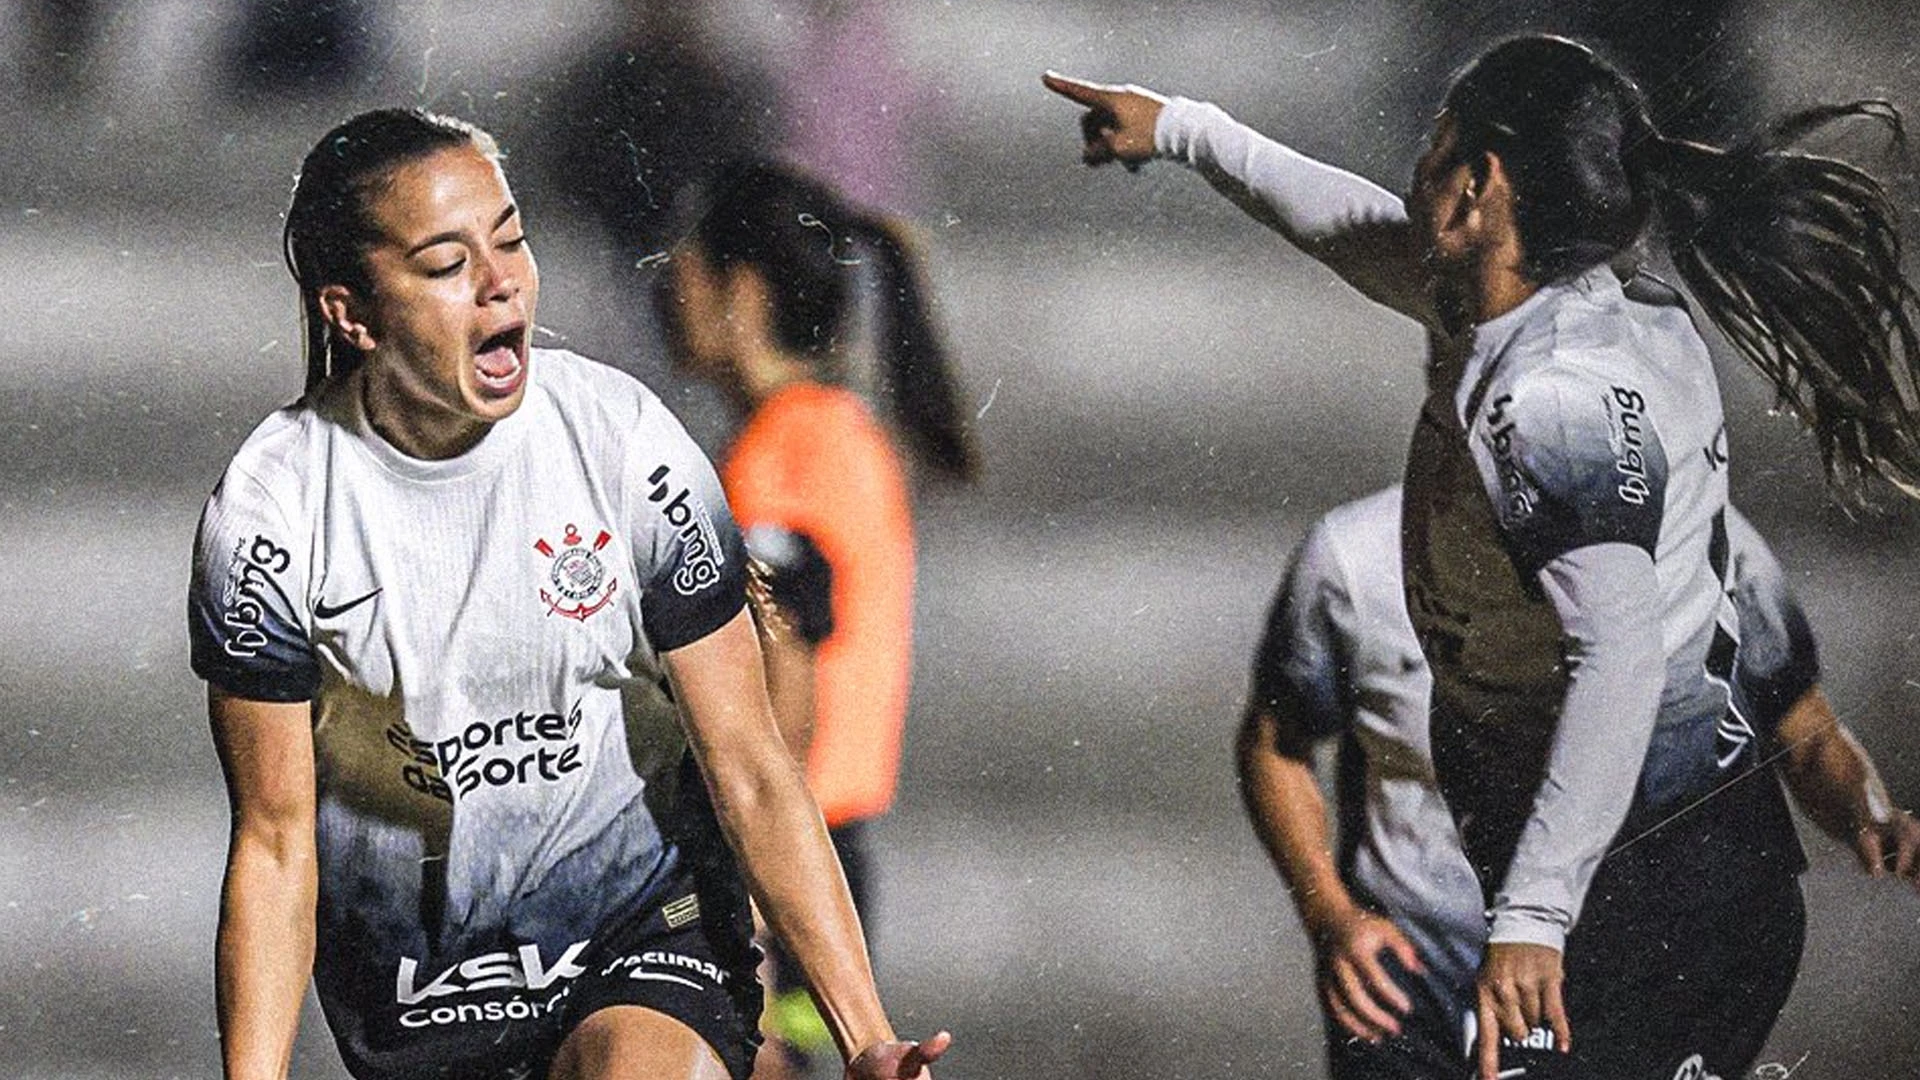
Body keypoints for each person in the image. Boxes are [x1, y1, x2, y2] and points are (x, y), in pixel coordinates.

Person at [1047, 30, 1920, 1080]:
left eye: (1433, 147)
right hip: (1670, 879)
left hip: (1648, 912)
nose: (1412, 176)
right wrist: (1185, 130)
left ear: (1479, 187)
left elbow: (1622, 654)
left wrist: (1535, 920)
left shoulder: (1548, 404)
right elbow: (1356, 231)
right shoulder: (1583, 306)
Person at [187, 107, 949, 1080]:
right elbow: (276, 838)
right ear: (353, 311)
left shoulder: (628, 447)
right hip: (429, 994)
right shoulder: (271, 515)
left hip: (646, 936)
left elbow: (755, 752)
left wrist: (868, 1039)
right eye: (446, 262)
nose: (502, 280)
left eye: (511, 239)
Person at [1238, 486, 1920, 1079]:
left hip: (1603, 977)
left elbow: (1801, 723)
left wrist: (1873, 815)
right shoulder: (1359, 556)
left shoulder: (1696, 537)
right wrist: (1330, 915)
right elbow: (1276, 744)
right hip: (1421, 982)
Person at [655, 160, 978, 1079]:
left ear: (740, 292)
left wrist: (749, 906)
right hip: (812, 856)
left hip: (782, 864)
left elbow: (781, 667)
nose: (665, 298)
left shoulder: (786, 452)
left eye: (679, 274)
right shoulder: (833, 433)